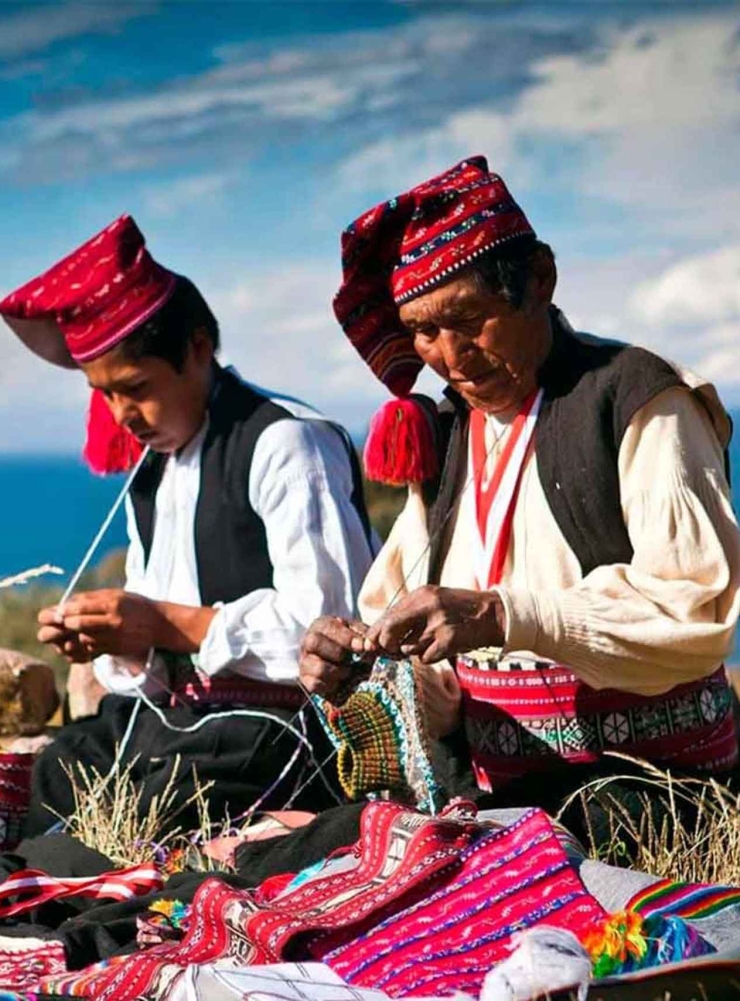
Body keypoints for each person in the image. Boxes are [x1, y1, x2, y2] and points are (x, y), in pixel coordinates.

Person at [299, 156, 740, 825]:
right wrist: (361, 668)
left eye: (468, 318)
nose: (449, 355)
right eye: (423, 330)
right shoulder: (447, 435)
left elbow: (696, 614)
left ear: (539, 281)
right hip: (501, 800)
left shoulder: (639, 399)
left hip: (650, 795)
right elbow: (435, 680)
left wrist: (502, 614)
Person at [0, 215, 377, 835]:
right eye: (105, 394)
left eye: (136, 387)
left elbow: (336, 634)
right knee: (62, 767)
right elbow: (154, 659)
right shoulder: (151, 475)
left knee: (155, 806)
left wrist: (167, 624)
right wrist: (118, 641)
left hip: (279, 733)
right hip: (180, 724)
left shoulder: (288, 443)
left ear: (198, 348)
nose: (122, 414)